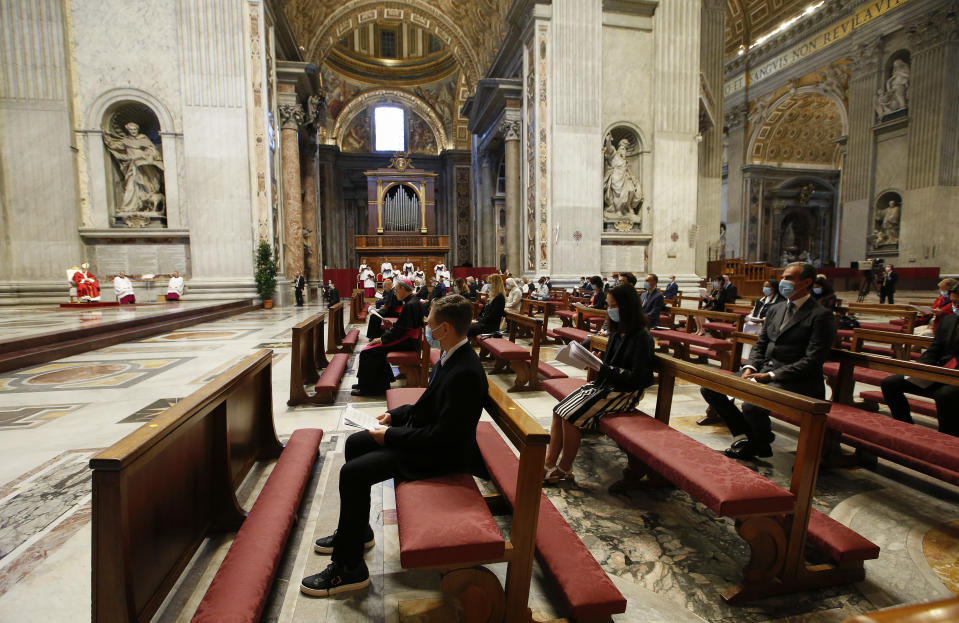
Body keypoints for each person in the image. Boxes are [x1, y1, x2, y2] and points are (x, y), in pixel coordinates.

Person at [301, 295, 488, 598]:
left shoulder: (465, 370)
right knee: (357, 442)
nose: (426, 328)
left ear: (445, 328)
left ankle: (349, 569)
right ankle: (357, 532)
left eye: (430, 324)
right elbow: (429, 405)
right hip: (431, 441)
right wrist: (393, 416)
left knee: (353, 473)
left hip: (441, 456)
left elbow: (443, 437)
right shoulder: (451, 355)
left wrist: (388, 436)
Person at [700, 262, 835, 459]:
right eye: (783, 277)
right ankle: (751, 438)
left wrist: (771, 375)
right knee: (711, 389)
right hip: (763, 372)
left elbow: (813, 360)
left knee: (751, 404)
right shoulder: (776, 309)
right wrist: (749, 367)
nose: (783, 282)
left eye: (789, 278)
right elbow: (761, 344)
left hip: (796, 380)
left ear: (806, 282)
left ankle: (757, 443)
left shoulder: (820, 315)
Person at [545, 283, 656, 483]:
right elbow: (611, 364)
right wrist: (597, 360)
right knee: (558, 409)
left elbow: (640, 377)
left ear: (627, 306)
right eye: (608, 305)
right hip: (606, 385)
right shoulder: (616, 331)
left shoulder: (642, 337)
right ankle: (548, 463)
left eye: (613, 305)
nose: (609, 310)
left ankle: (564, 469)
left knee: (570, 416)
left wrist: (604, 368)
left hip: (625, 393)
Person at [880, 285, 959, 434]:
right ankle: (906, 429)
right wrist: (922, 368)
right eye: (954, 302)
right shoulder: (948, 320)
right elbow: (935, 349)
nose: (956, 306)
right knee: (890, 383)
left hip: (956, 375)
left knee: (944, 395)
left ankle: (949, 438)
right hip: (940, 370)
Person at [352, 278, 424, 396]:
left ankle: (369, 388)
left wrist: (381, 339)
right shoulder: (412, 301)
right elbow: (404, 326)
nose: (395, 293)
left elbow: (401, 331)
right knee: (371, 350)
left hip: (407, 342)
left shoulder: (410, 304)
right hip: (409, 340)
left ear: (402, 288)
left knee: (368, 352)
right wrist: (392, 325)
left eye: (396, 290)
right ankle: (367, 383)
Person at [102, 121, 165, 214]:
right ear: (128, 130)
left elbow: (153, 150)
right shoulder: (125, 140)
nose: (133, 131)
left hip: (145, 166)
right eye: (131, 129)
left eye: (135, 129)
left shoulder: (144, 139)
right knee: (131, 186)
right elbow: (113, 145)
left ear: (138, 129)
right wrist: (105, 136)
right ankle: (130, 207)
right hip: (132, 166)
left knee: (146, 184)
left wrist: (146, 155)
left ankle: (147, 204)